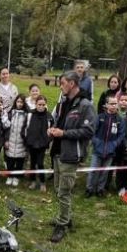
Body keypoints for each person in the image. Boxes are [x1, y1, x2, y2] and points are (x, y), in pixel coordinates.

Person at [49, 71, 95, 243]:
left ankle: (62, 224)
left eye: (63, 83)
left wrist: (64, 133)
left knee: (64, 191)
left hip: (70, 155)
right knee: (58, 190)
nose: (61, 86)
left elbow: (89, 131)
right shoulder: (63, 103)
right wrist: (52, 129)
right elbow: (57, 122)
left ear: (72, 83)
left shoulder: (85, 105)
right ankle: (65, 217)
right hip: (57, 151)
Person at [87, 95, 125, 197]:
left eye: (115, 104)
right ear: (106, 105)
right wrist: (96, 142)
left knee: (104, 172)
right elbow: (92, 131)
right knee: (93, 170)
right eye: (111, 104)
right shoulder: (100, 117)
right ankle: (89, 189)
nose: (113, 106)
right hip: (97, 150)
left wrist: (114, 144)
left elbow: (121, 135)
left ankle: (100, 189)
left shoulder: (119, 120)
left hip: (110, 151)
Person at [24, 95, 53, 192]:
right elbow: (25, 128)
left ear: (46, 105)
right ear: (35, 104)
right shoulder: (30, 114)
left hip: (42, 144)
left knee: (40, 163)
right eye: (39, 104)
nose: (41, 106)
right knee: (32, 163)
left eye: (43, 105)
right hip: (32, 143)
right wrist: (27, 140)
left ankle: (42, 182)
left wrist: (47, 141)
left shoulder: (49, 116)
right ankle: (32, 181)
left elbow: (51, 131)